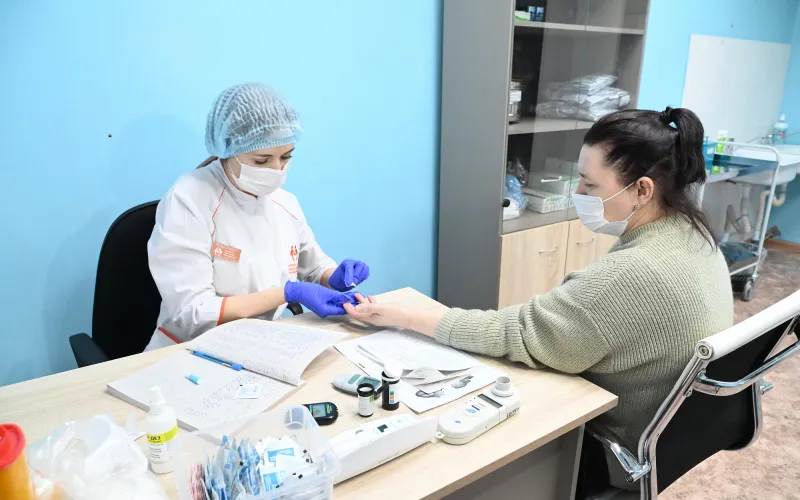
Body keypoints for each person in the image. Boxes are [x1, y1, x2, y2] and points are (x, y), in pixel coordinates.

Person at [344, 107, 734, 490]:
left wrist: (405, 317)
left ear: (642, 190)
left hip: (615, 453)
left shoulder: (625, 277)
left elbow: (514, 332)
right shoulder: (693, 234)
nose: (577, 193)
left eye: (590, 185)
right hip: (675, 439)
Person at [146, 83, 370, 351]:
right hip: (190, 349)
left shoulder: (284, 203)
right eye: (262, 160)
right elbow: (192, 312)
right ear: (228, 149)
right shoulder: (189, 199)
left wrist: (334, 277)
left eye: (285, 157)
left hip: (262, 345)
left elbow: (313, 266)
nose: (276, 170)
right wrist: (288, 292)